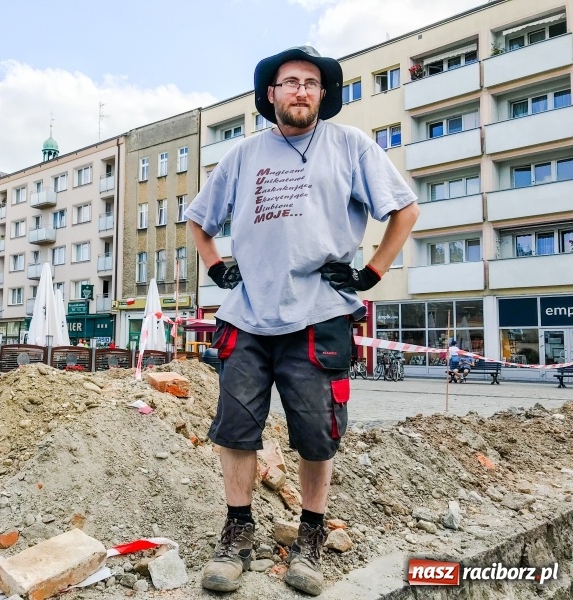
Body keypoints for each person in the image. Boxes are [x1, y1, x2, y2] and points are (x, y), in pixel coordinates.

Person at [185, 45, 419, 595]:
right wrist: (216, 268)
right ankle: (238, 531)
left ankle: (309, 537)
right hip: (246, 318)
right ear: (271, 94)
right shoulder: (243, 155)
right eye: (289, 82)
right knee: (237, 430)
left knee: (317, 434)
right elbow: (199, 219)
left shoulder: (351, 146)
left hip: (320, 317)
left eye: (311, 83)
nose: (300, 91)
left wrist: (373, 272)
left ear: (323, 94)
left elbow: (405, 209)